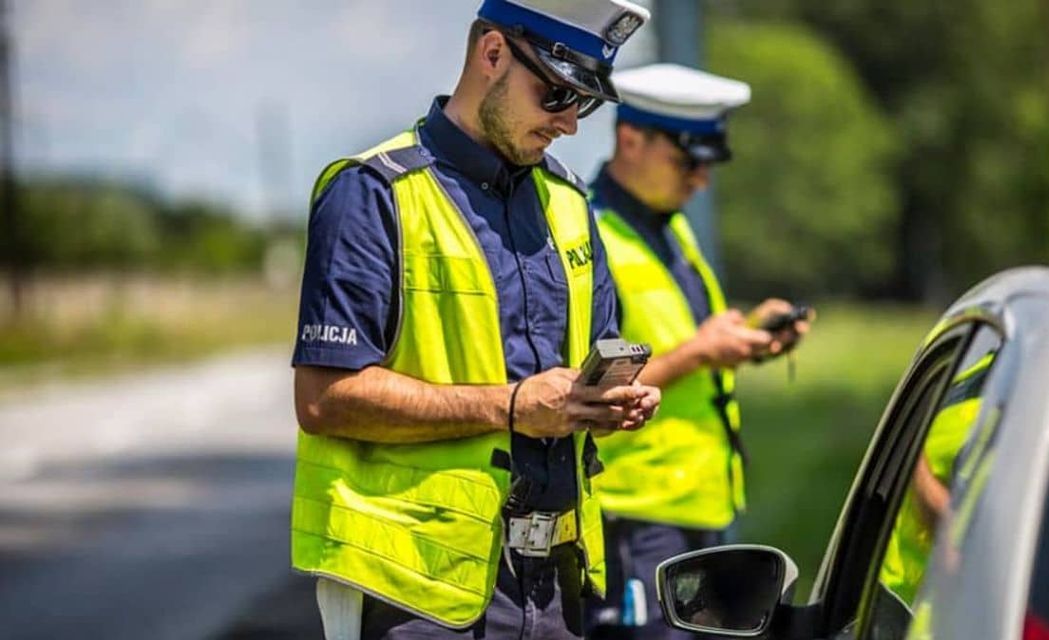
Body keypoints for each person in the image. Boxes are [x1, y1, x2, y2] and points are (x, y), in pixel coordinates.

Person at [288, 2, 659, 638]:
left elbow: (578, 372)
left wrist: (604, 403)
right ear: (492, 55)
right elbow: (324, 400)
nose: (570, 123)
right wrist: (511, 406)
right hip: (416, 596)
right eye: (555, 95)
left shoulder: (570, 204)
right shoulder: (375, 194)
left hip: (557, 588)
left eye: (585, 103)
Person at [584, 64, 812, 639]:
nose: (701, 180)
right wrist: (701, 352)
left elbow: (680, 340)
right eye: (689, 161)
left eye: (708, 164)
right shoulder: (593, 236)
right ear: (630, 139)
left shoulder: (666, 228)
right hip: (633, 515)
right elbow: (585, 390)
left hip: (696, 509)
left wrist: (748, 338)